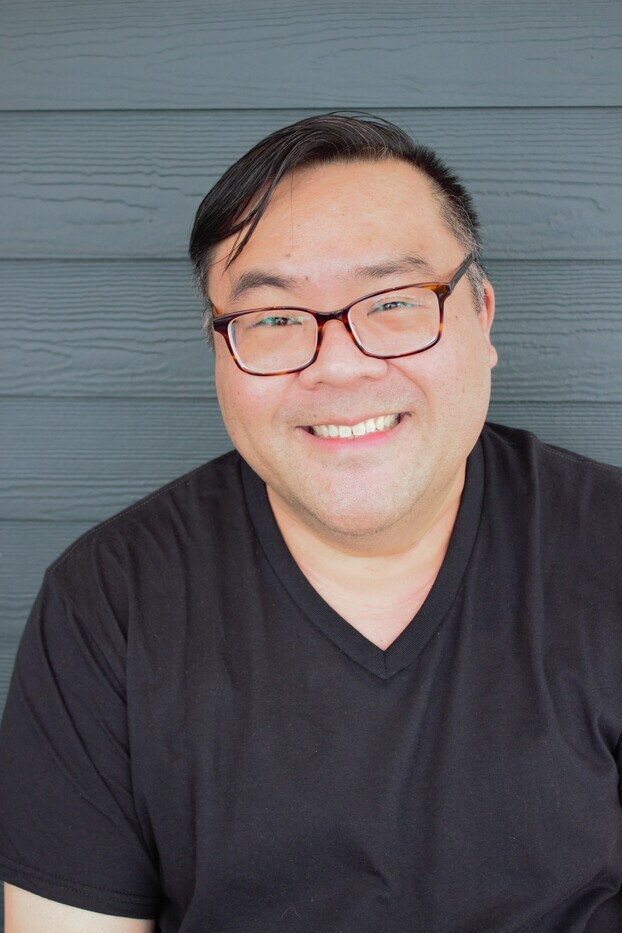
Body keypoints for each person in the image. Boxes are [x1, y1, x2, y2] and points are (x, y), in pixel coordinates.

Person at [1, 113, 621, 933]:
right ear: (218, 351)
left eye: (394, 302)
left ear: (483, 315)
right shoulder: (109, 601)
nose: (340, 364)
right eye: (274, 318)